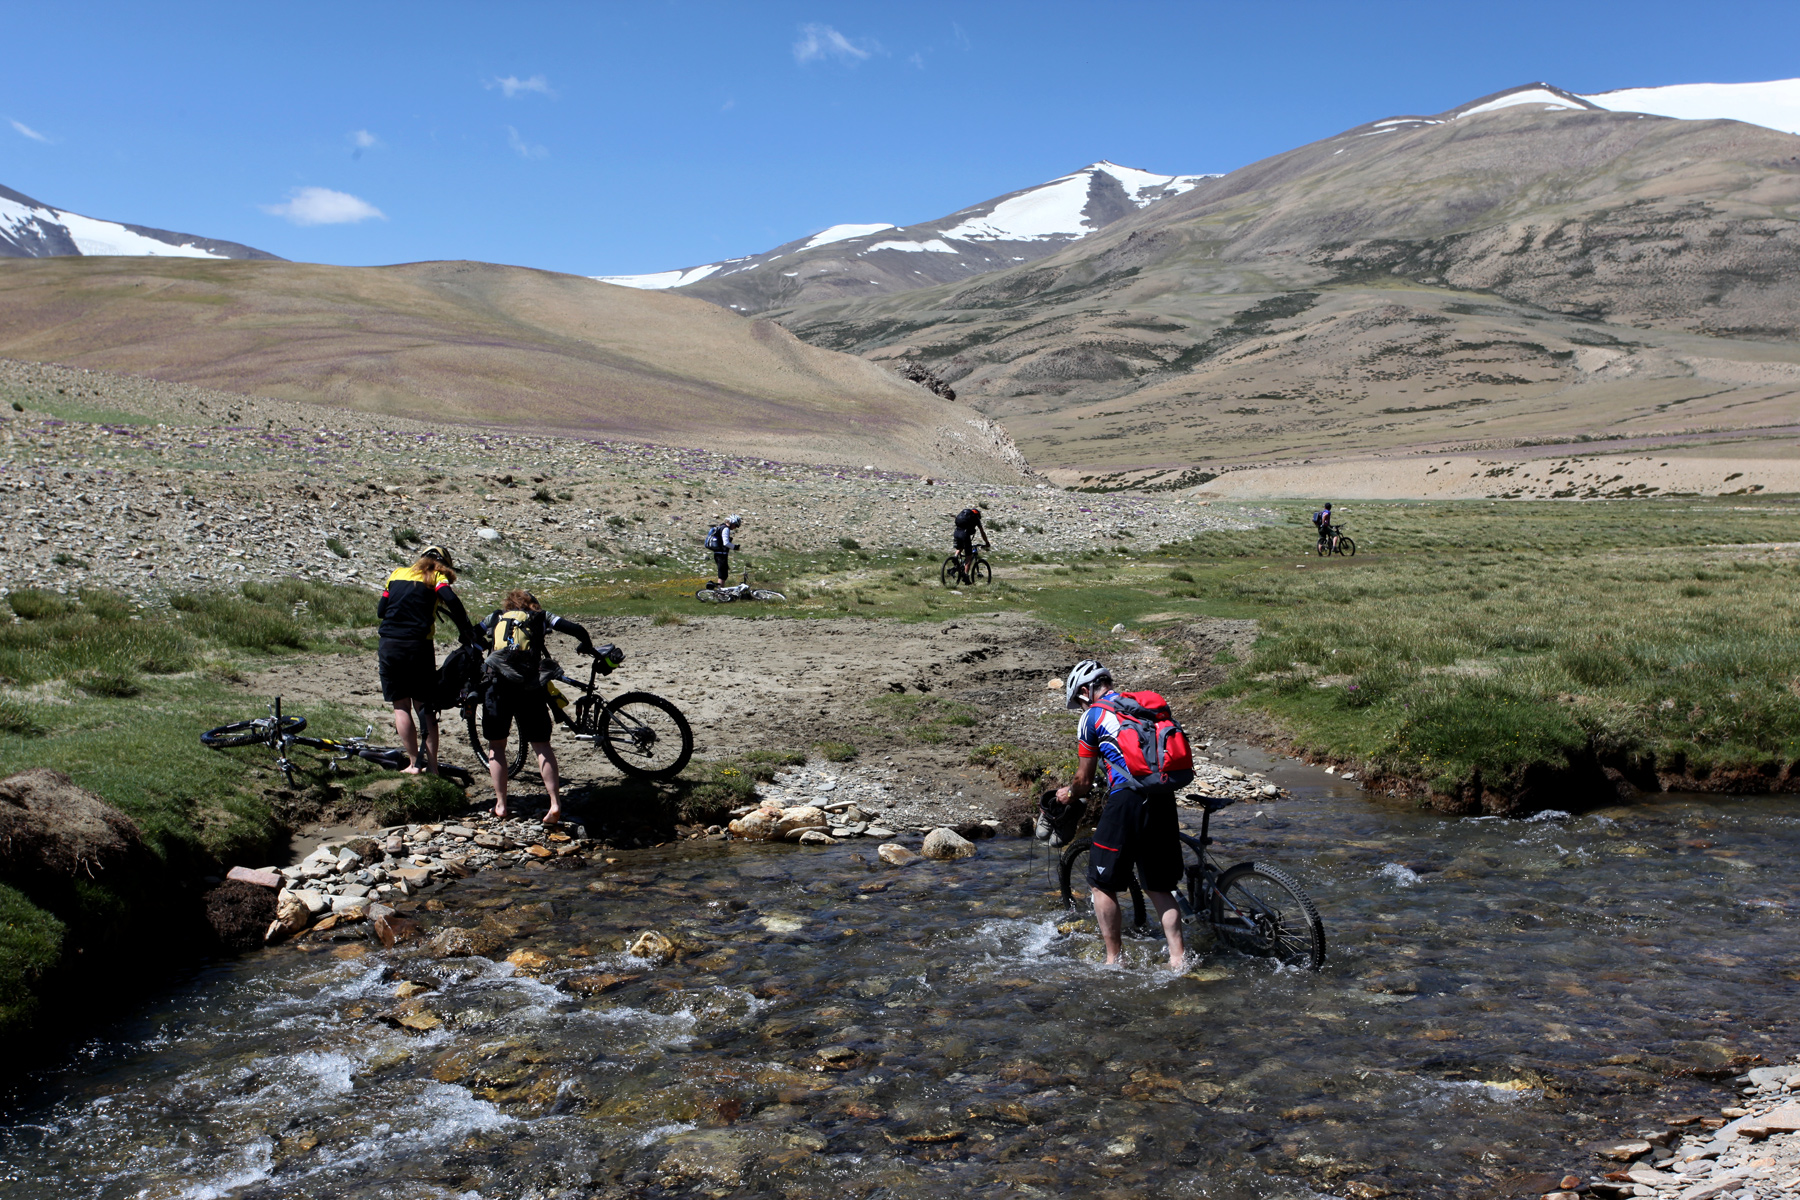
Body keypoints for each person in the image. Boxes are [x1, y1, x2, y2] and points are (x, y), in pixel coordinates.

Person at [1055, 660, 1188, 972]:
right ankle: (1179, 960)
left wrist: (1069, 794)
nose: (1078, 706)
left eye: (1077, 700)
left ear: (1086, 691)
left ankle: (1115, 960)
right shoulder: (1139, 704)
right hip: (1162, 795)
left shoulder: (1093, 716)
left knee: (1101, 883)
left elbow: (1084, 779)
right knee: (1158, 885)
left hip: (1127, 799)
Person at [475, 589, 598, 826]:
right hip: (530, 687)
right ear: (532, 604)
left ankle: (501, 805)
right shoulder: (541, 616)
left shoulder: (495, 617)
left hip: (497, 686)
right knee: (542, 746)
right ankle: (554, 804)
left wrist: (483, 644)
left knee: (496, 747)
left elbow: (470, 635)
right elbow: (576, 629)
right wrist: (586, 643)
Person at [376, 545, 475, 775]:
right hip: (418, 646)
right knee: (424, 707)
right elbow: (452, 600)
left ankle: (414, 764)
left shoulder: (397, 573)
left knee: (401, 706)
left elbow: (382, 610)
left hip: (389, 644)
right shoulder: (436, 577)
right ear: (444, 565)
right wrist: (466, 629)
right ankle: (432, 768)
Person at [704, 514, 743, 589]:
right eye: (735, 525)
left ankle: (720, 590)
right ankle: (720, 592)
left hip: (719, 554)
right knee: (722, 574)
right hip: (721, 554)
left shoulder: (721, 527)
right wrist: (735, 547)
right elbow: (726, 543)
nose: (735, 527)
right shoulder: (726, 529)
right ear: (732, 522)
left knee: (723, 574)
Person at [952, 504, 990, 570]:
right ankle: (966, 576)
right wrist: (987, 542)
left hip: (956, 533)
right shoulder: (975, 518)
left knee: (960, 547)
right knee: (969, 556)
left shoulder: (963, 516)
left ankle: (955, 556)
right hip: (965, 535)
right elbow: (982, 532)